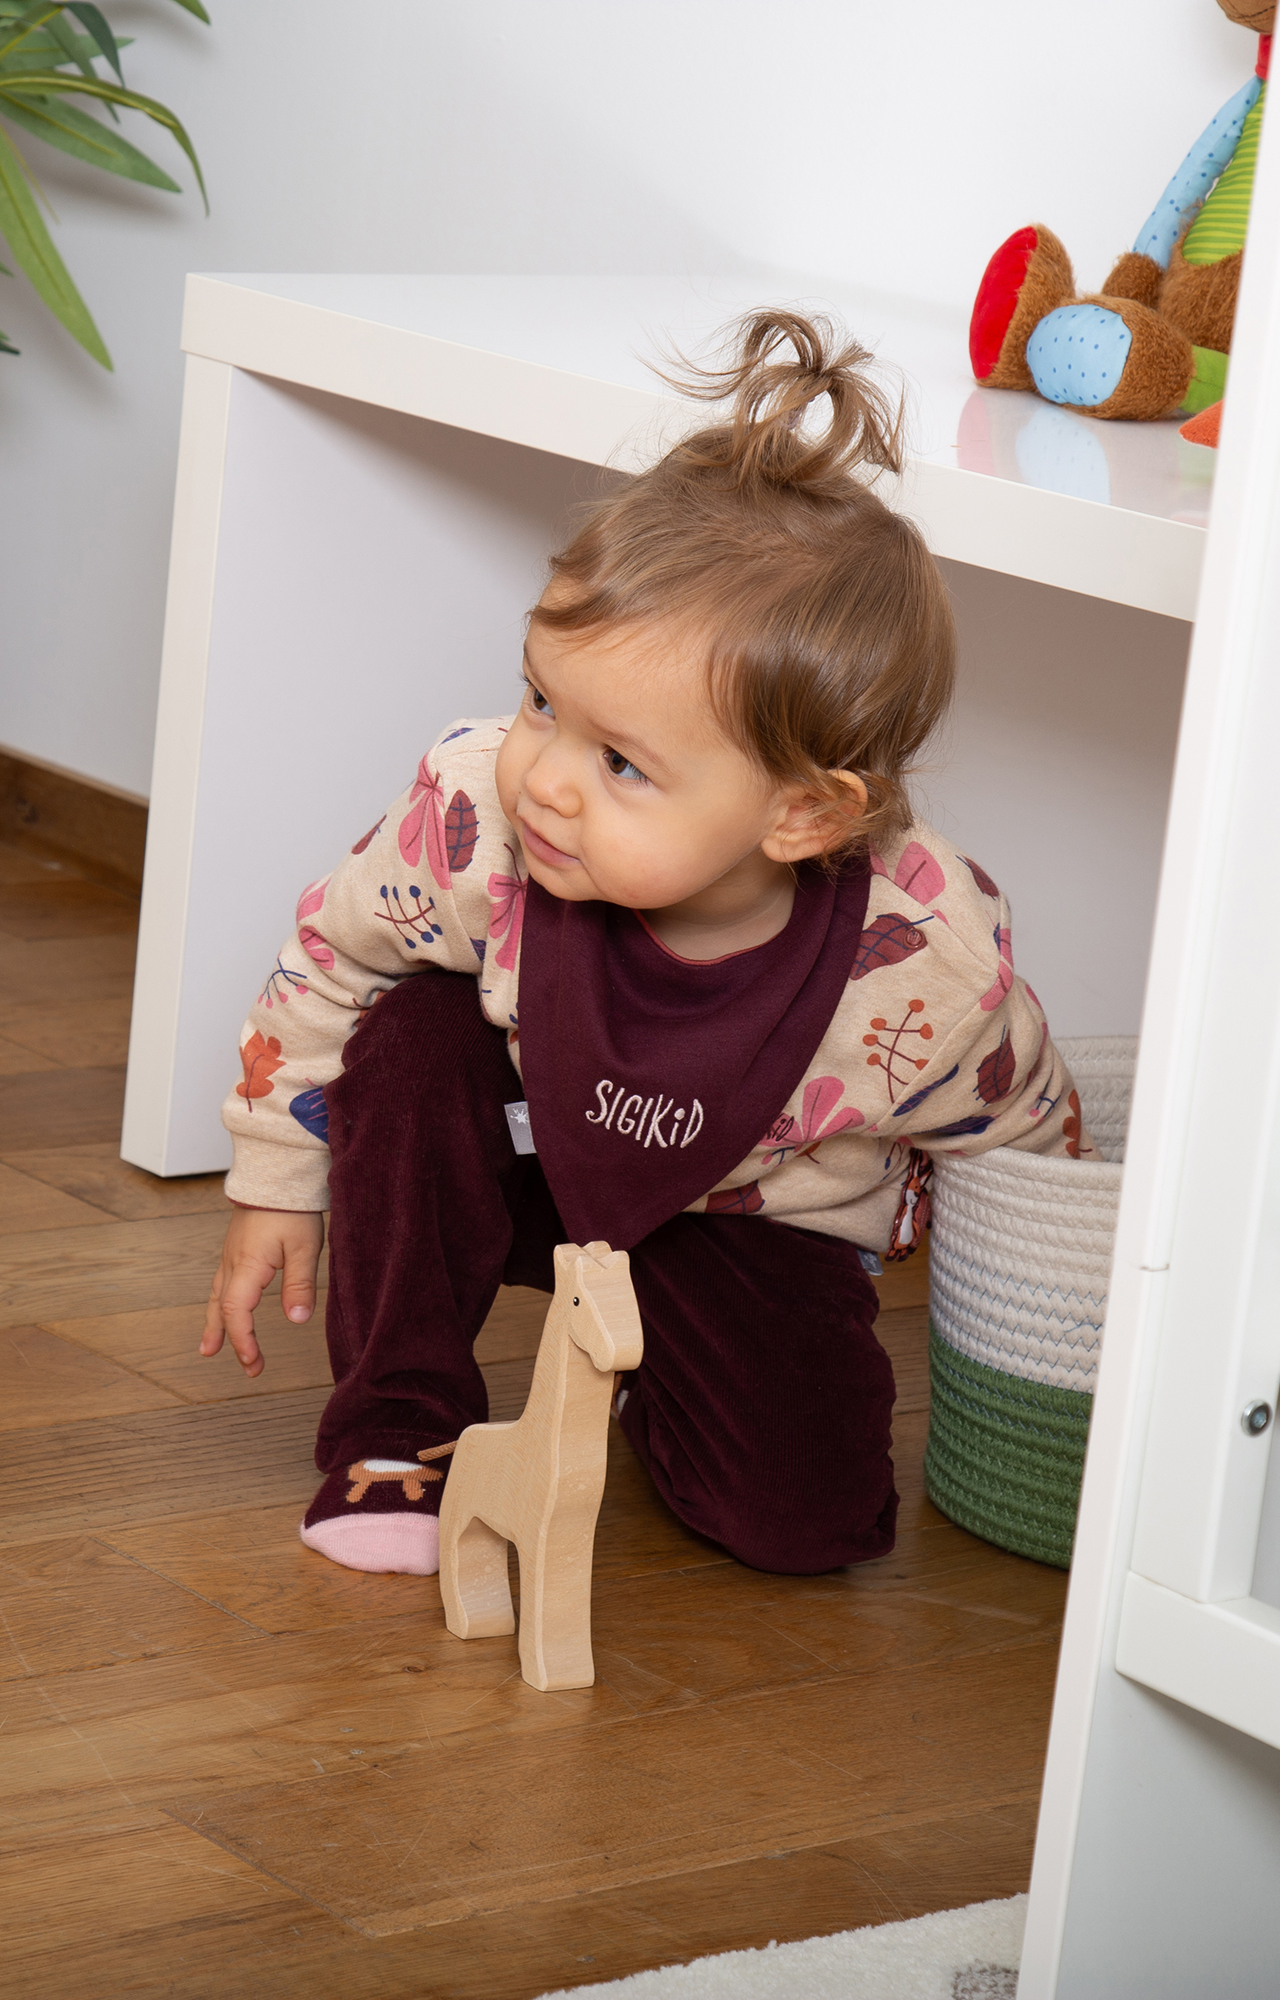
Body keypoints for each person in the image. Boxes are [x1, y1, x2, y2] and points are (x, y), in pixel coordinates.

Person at [199, 309, 1088, 1579]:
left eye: (620, 762)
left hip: (747, 1220)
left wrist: (1057, 1332)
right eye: (540, 701)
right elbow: (329, 960)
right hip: (524, 1160)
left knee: (809, 1528)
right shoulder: (476, 821)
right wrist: (273, 1180)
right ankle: (401, 1420)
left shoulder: (923, 954)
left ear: (801, 811)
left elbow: (1026, 1137)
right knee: (411, 1038)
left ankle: (649, 1382)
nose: (545, 780)